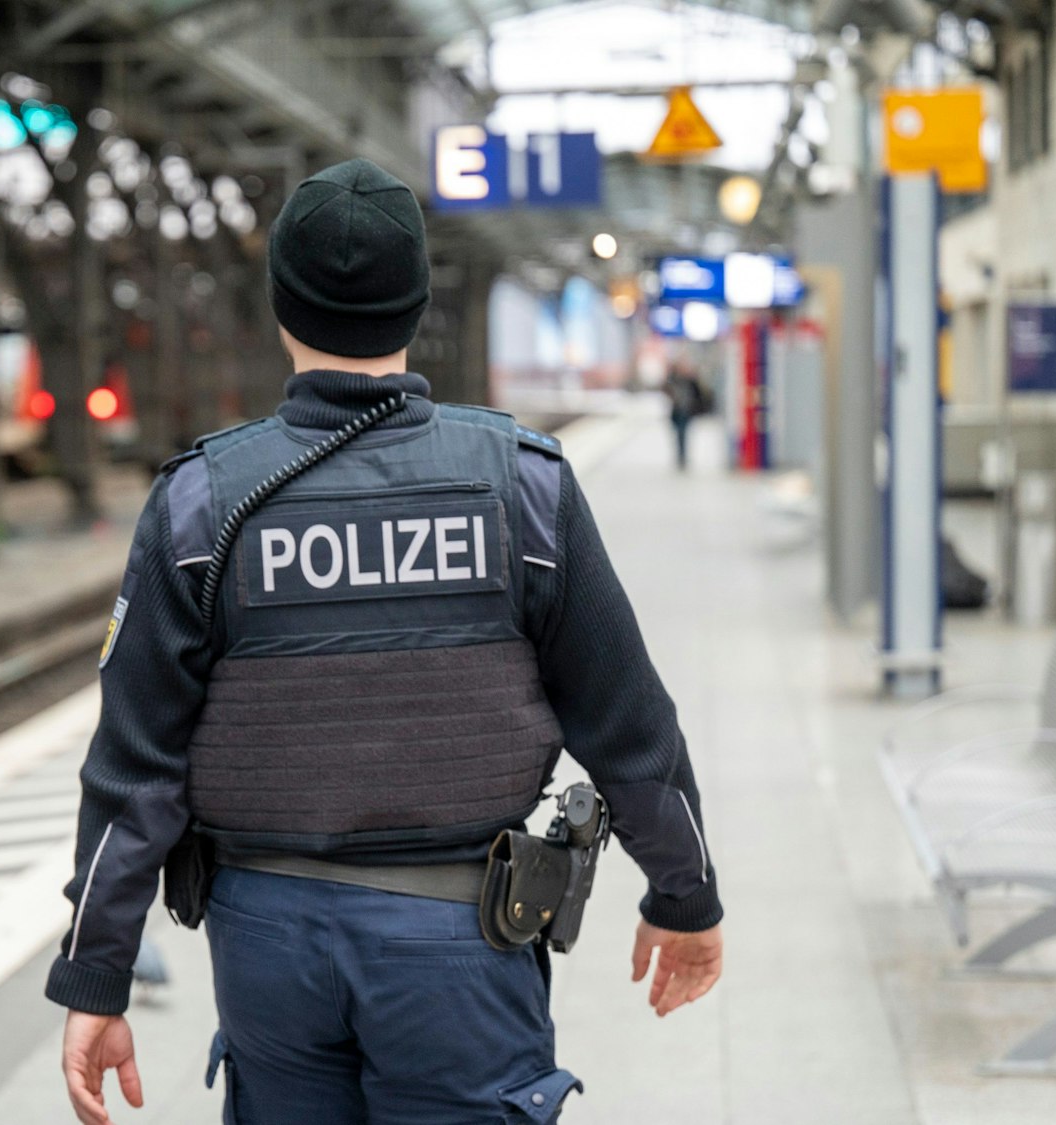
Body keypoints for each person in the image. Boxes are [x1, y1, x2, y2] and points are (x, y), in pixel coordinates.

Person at [49, 159, 725, 1125]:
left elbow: (133, 765)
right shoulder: (522, 488)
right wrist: (685, 892)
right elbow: (629, 725)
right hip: (462, 939)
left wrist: (94, 974)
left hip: (266, 941)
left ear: (283, 306)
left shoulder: (202, 502)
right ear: (416, 303)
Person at [664, 360, 707, 471]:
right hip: (676, 411)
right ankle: (680, 455)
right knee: (678, 434)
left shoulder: (691, 380)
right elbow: (665, 387)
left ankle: (683, 456)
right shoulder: (673, 379)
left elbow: (699, 394)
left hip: (687, 411)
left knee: (683, 433)